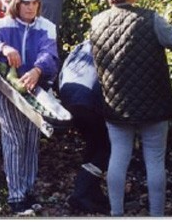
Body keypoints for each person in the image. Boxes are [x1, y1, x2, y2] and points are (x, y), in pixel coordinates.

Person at [89, 0, 172, 217]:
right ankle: (156, 215)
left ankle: (117, 214)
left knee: (118, 158)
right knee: (155, 161)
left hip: (116, 105)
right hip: (154, 105)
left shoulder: (97, 22)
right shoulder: (151, 19)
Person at [0, 0, 59, 216]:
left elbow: (49, 53)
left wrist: (38, 70)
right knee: (14, 140)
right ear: (16, 3)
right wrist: (3, 47)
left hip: (34, 92)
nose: (30, 8)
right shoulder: (3, 25)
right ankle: (16, 197)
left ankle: (28, 192)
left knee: (31, 142)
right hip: (8, 92)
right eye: (26, 3)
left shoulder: (47, 27)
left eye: (35, 3)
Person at [58, 40, 110, 214]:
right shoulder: (111, 46)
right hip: (89, 98)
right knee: (107, 147)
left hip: (69, 95)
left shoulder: (82, 45)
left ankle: (91, 191)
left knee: (93, 142)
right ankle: (81, 192)